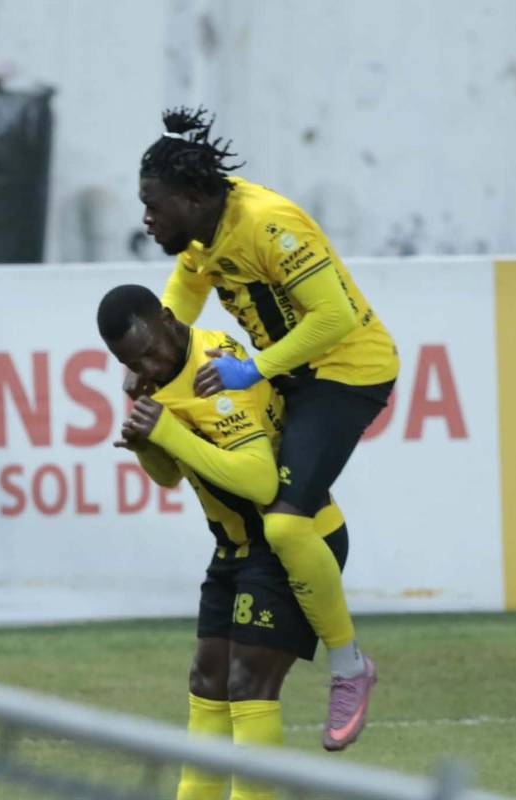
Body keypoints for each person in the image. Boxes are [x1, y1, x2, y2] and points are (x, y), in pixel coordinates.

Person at [137, 107, 399, 751]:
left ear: (194, 199)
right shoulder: (203, 232)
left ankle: (349, 667)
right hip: (293, 374)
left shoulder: (268, 225)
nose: (147, 219)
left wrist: (253, 371)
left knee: (283, 520)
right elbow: (186, 285)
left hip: (345, 370)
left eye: (155, 206)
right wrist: (159, 351)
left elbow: (335, 317)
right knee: (290, 509)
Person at [98, 284, 351, 799]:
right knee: (207, 680)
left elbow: (260, 482)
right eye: (132, 362)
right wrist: (148, 446)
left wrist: (166, 431)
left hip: (290, 539)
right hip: (234, 548)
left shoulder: (216, 367)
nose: (146, 366)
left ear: (169, 319)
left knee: (248, 684)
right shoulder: (156, 378)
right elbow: (170, 474)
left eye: (150, 350)